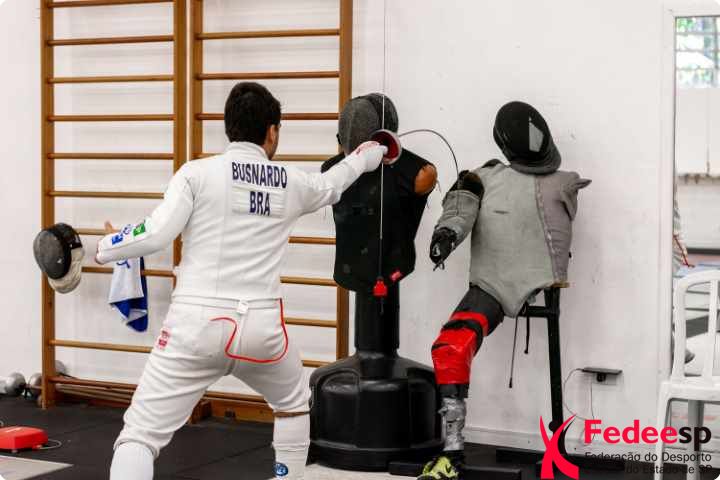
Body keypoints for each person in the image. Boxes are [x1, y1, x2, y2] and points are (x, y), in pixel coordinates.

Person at [96, 82, 387, 480]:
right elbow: (336, 180)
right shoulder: (290, 181)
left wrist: (105, 247)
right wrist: (373, 151)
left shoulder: (196, 174)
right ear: (272, 131)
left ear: (228, 127)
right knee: (293, 403)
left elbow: (156, 234)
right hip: (261, 332)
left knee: (140, 435)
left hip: (194, 327)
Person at [419, 101, 590, 480]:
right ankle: (452, 454)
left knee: (452, 347)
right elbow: (460, 209)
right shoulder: (481, 177)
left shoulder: (564, 182)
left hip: (540, 278)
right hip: (492, 284)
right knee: (451, 348)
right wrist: (446, 234)